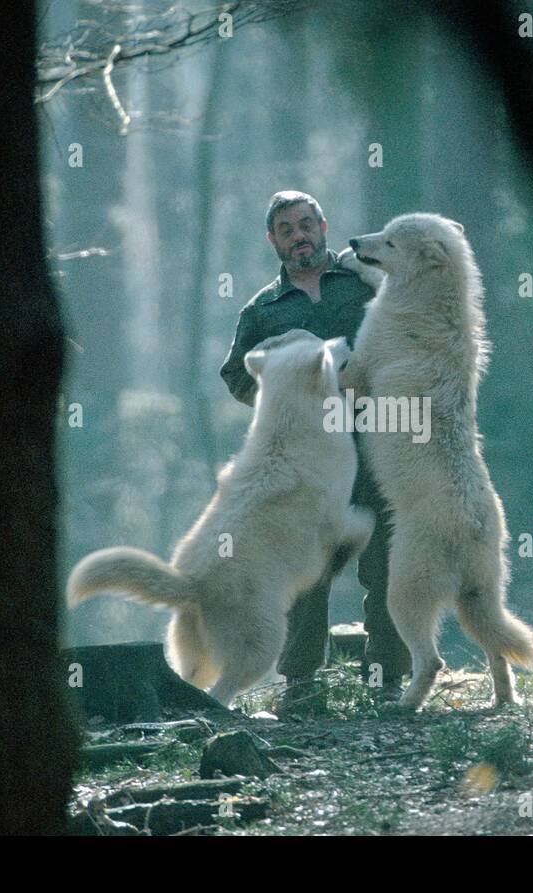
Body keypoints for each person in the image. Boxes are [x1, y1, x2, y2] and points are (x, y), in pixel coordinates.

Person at [219, 191, 410, 708]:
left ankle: (389, 682)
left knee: (386, 562)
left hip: (377, 444)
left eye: (306, 224)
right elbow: (236, 376)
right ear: (273, 240)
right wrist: (287, 397)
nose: (299, 234)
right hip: (308, 461)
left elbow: (408, 329)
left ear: (323, 226)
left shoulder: (366, 282)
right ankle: (302, 686)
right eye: (286, 228)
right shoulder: (262, 310)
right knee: (306, 571)